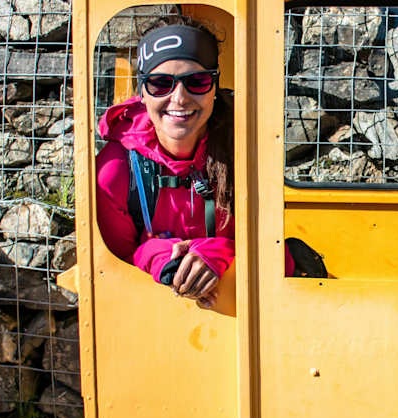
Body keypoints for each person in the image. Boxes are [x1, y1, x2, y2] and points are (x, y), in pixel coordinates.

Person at [96, 19, 292, 305]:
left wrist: (220, 253)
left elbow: (281, 262)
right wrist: (158, 256)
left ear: (214, 86)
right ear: (142, 91)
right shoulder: (114, 171)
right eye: (160, 83)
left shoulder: (248, 153)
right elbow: (109, 271)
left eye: (196, 82)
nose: (179, 98)